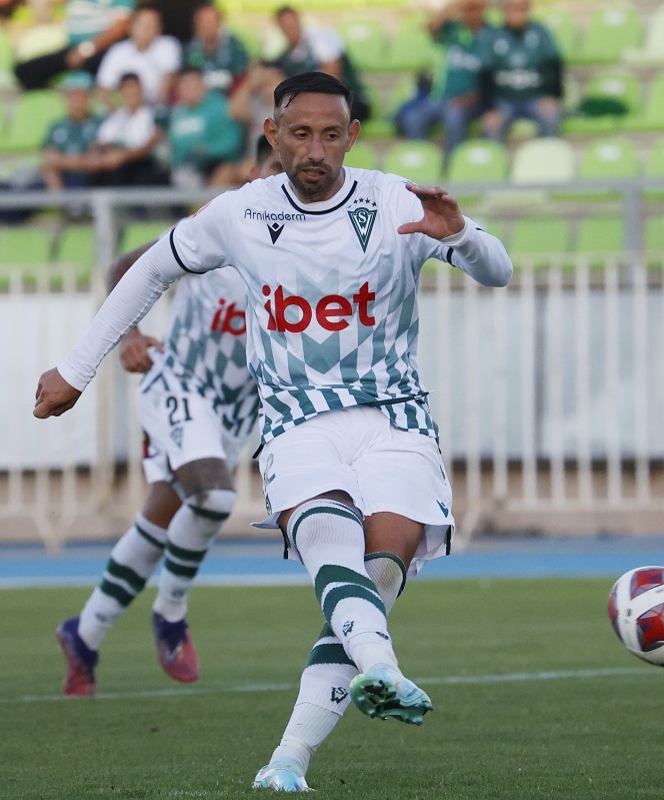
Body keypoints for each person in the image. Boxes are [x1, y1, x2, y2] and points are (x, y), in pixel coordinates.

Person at [33, 72, 512, 791]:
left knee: (379, 574)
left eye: (330, 133)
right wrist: (78, 366)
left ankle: (287, 760)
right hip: (293, 417)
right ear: (273, 135)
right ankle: (378, 667)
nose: (315, 148)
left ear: (351, 135)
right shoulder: (240, 215)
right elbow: (147, 269)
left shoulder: (394, 201)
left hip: (395, 417)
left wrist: (467, 237)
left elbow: (498, 271)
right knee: (323, 542)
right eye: (299, 133)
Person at [56, 137, 283, 698]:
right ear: (256, 169)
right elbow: (124, 266)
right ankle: (172, 613)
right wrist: (129, 335)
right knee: (213, 498)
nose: (295, 176)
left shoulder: (318, 250)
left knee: (160, 517)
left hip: (236, 410)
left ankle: (83, 635)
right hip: (179, 384)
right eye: (279, 166)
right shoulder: (220, 225)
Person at [396, 0, 489, 155]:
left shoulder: (491, 34)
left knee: (454, 116)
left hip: (473, 101)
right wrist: (454, 5)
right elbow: (431, 26)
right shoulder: (452, 30)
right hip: (441, 98)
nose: (470, 13)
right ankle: (422, 166)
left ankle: (453, 166)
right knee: (413, 118)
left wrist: (474, 97)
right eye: (466, 9)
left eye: (474, 8)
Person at [477, 0, 563, 141]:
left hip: (535, 97)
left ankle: (544, 160)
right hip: (503, 100)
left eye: (521, 8)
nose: (517, 13)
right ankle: (497, 162)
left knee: (551, 117)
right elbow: (484, 74)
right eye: (512, 8)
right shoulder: (493, 36)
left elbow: (554, 65)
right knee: (490, 125)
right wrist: (489, 108)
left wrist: (552, 96)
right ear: (504, 11)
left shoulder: (540, 33)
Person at [272, 6, 371, 121]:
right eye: (285, 26)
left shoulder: (321, 38)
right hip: (314, 105)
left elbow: (332, 81)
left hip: (349, 100)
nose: (290, 29)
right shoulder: (285, 56)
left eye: (292, 24)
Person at [13, 0, 135, 91]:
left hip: (101, 50)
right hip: (73, 48)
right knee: (25, 71)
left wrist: (87, 50)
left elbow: (120, 28)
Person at [167, 67, 249, 189]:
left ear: (202, 85)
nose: (188, 88)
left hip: (215, 164)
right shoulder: (177, 113)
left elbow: (232, 141)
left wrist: (207, 150)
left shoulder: (220, 107)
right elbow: (173, 146)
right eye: (184, 84)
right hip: (183, 167)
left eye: (192, 83)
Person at [89, 72, 168, 188]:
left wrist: (122, 156)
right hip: (119, 168)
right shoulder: (116, 117)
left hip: (148, 166)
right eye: (126, 88)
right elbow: (100, 142)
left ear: (141, 89)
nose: (131, 92)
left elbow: (151, 144)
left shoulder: (155, 113)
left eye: (134, 87)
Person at [96, 7, 182, 108]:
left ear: (159, 28)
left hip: (157, 108)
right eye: (144, 25)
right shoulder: (117, 50)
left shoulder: (168, 45)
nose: (148, 30)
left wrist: (151, 110)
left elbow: (168, 80)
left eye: (153, 25)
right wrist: (120, 115)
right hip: (124, 110)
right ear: (131, 27)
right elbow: (104, 88)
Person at [41, 72, 105, 192]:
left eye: (81, 95)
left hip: (91, 178)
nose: (77, 100)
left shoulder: (101, 124)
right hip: (63, 177)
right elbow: (49, 158)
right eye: (73, 96)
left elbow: (98, 160)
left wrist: (64, 160)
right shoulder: (56, 126)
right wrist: (81, 161)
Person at [184, 2, 251, 96]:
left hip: (230, 99)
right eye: (203, 22)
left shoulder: (235, 46)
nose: (208, 26)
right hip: (199, 101)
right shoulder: (189, 50)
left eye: (211, 21)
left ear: (219, 22)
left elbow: (242, 75)